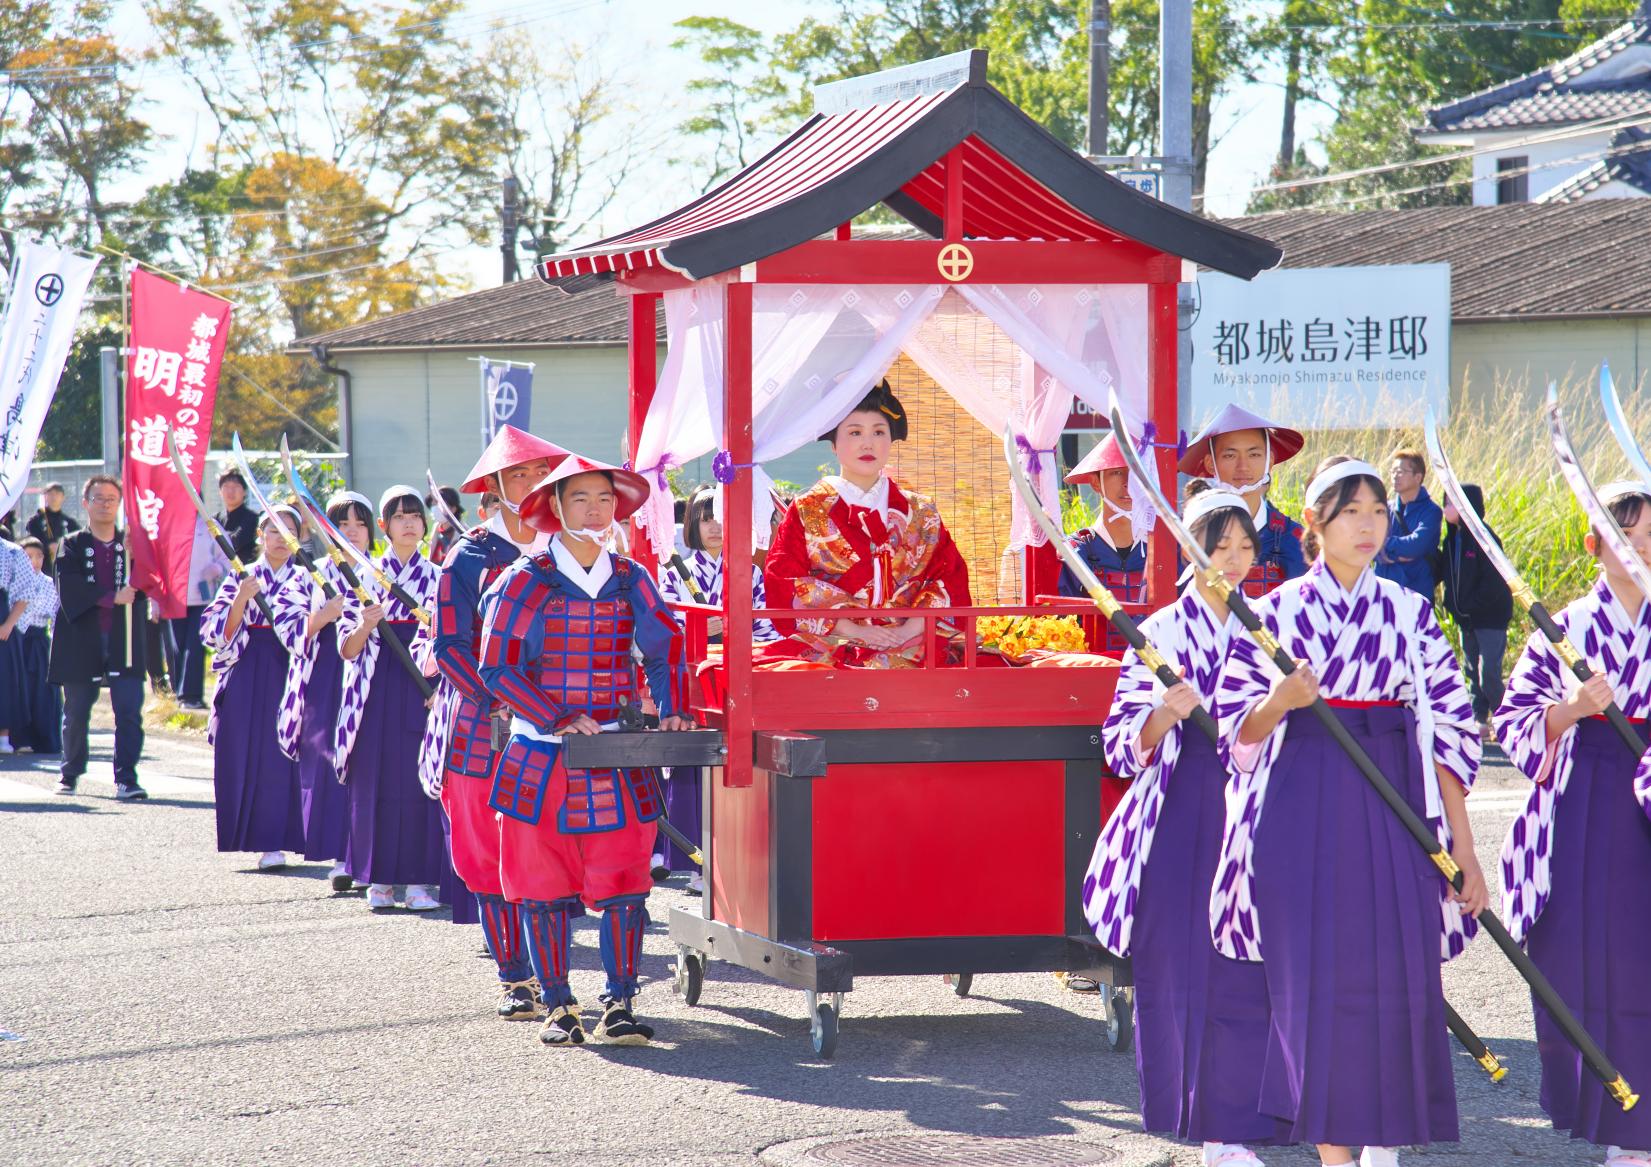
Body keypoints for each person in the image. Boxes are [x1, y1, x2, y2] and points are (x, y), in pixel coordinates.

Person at [1213, 456, 1486, 1167]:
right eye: (1350, 511)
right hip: (1301, 806)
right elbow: (1233, 731)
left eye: (1376, 511)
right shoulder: (1272, 615)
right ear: (1314, 524)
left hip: (1393, 803)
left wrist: (1465, 855)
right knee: (1316, 981)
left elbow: (1452, 735)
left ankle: (1385, 1141)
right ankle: (1335, 1154)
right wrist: (1281, 701)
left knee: (1395, 975)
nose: (1368, 524)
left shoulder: (1410, 611)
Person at [1085, 483, 1288, 1166]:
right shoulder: (1162, 631)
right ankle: (1212, 1132)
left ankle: (1256, 1116)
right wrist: (1164, 715)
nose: (1232, 560)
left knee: (1255, 967)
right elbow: (1118, 741)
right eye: (1217, 546)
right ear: (1190, 553)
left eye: (1242, 547)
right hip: (1186, 805)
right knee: (1188, 966)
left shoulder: (1267, 622)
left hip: (1258, 806)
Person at [479, 454, 690, 1047]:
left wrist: (671, 705)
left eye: (603, 498)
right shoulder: (524, 578)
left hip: (615, 754)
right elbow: (496, 667)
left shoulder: (630, 577)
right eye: (580, 499)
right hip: (541, 753)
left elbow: (664, 646)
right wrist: (556, 715)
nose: (595, 509)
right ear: (555, 508)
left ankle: (619, 1004)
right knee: (543, 886)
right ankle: (558, 1005)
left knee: (625, 883)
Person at [1494, 481, 1651, 1166]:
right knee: (1598, 962)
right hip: (1587, 795)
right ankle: (1621, 1130)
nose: (1642, 551)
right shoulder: (1567, 627)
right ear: (1594, 546)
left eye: (1650, 540)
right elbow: (1513, 723)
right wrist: (1568, 708)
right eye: (1627, 539)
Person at [425, 425, 570, 1018]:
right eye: (519, 476)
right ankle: (515, 977)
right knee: (486, 849)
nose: (533, 485)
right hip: (482, 723)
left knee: (552, 844)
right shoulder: (470, 555)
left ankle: (559, 976)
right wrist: (499, 700)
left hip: (558, 718)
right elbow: (449, 644)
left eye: (542, 474)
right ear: (496, 487)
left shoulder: (570, 547)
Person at [762, 381, 970, 668]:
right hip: (836, 638)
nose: (868, 442)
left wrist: (908, 629)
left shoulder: (921, 511)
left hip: (914, 635)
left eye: (879, 432)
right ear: (834, 444)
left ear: (891, 440)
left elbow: (950, 576)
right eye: (855, 432)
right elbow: (784, 580)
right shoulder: (808, 509)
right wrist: (855, 630)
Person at [657, 486, 776, 891]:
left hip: (737, 676)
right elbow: (663, 628)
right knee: (693, 764)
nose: (715, 527)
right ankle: (695, 863)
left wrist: (731, 628)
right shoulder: (673, 573)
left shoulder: (751, 572)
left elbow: (766, 628)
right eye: (707, 518)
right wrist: (698, 627)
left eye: (724, 518)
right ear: (692, 524)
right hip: (691, 677)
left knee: (740, 764)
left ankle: (739, 859)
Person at [335, 487, 446, 911]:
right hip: (374, 686)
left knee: (419, 779)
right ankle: (377, 879)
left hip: (421, 683)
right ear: (383, 526)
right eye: (399, 516)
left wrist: (439, 688)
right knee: (375, 779)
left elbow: (452, 640)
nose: (408, 522)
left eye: (415, 515)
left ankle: (420, 881)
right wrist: (366, 624)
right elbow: (346, 648)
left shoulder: (438, 577)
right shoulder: (364, 575)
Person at [200, 506, 310, 869]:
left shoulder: (308, 577)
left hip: (293, 665)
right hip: (249, 666)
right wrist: (241, 599)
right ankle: (266, 843)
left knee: (291, 753)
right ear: (262, 535)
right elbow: (213, 630)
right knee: (252, 753)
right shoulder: (242, 576)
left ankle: (302, 835)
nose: (280, 538)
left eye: (288, 530)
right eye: (273, 530)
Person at [282, 492, 370, 892]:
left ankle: (371, 855)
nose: (352, 532)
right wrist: (323, 617)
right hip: (326, 676)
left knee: (371, 766)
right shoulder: (310, 573)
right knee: (330, 764)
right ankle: (340, 855)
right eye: (343, 525)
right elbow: (288, 629)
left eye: (359, 524)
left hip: (371, 678)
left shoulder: (381, 571)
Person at [49, 476, 149, 800]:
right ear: (86, 502)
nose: (105, 504)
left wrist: (138, 562)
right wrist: (110, 597)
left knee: (129, 709)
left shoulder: (131, 545)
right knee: (77, 710)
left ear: (119, 504)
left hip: (125, 638)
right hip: (82, 638)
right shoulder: (73, 544)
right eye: (99, 498)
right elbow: (69, 588)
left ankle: (127, 778)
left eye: (111, 498)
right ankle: (70, 773)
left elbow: (147, 588)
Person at [1179, 404, 1307, 597]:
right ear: (1210, 464)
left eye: (1254, 455)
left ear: (1269, 461)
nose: (1243, 466)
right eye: (1230, 455)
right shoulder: (1186, 539)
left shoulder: (1297, 540)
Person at [1433, 483, 1513, 734]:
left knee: (1488, 671)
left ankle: (1507, 716)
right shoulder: (1452, 539)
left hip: (1489, 617)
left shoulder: (1483, 538)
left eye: (1451, 503)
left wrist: (1471, 605)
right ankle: (1479, 716)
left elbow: (1494, 582)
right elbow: (1446, 574)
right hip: (1466, 619)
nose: (1445, 508)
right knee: (1470, 669)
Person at [4, 538, 61, 754]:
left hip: (38, 640)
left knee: (43, 691)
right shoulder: (12, 581)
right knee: (19, 688)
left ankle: (44, 739)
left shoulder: (48, 582)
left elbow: (53, 611)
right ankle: (17, 737)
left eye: (38, 557)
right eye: (29, 557)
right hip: (16, 637)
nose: (34, 562)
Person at [167, 517, 228, 711]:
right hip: (175, 596)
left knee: (195, 644)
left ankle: (191, 696)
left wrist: (217, 568)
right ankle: (179, 693)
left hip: (203, 596)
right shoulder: (168, 522)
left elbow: (227, 555)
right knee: (177, 645)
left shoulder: (209, 524)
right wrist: (155, 599)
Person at [1377, 447, 1442, 600]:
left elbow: (1416, 545)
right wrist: (1396, 554)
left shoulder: (1431, 512)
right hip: (1382, 595)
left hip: (1416, 594)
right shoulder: (1384, 508)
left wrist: (1385, 547)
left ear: (1418, 477)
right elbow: (1370, 544)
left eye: (1400, 472)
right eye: (1392, 471)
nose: (1394, 476)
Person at [25, 482, 80, 570]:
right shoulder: (35, 521)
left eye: (57, 494)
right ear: (45, 497)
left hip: (64, 567)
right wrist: (47, 546)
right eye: (50, 494)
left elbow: (77, 543)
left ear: (63, 497)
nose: (54, 497)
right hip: (42, 567)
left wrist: (62, 548)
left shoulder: (70, 522)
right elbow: (30, 542)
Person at [215, 468, 259, 564]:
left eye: (236, 486)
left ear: (245, 492)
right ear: (220, 491)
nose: (230, 491)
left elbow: (234, 543)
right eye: (226, 486)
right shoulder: (215, 519)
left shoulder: (253, 519)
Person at [426, 484, 464, 565]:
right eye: (433, 504)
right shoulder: (436, 528)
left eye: (439, 504)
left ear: (453, 509)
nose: (435, 508)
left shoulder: (464, 533)